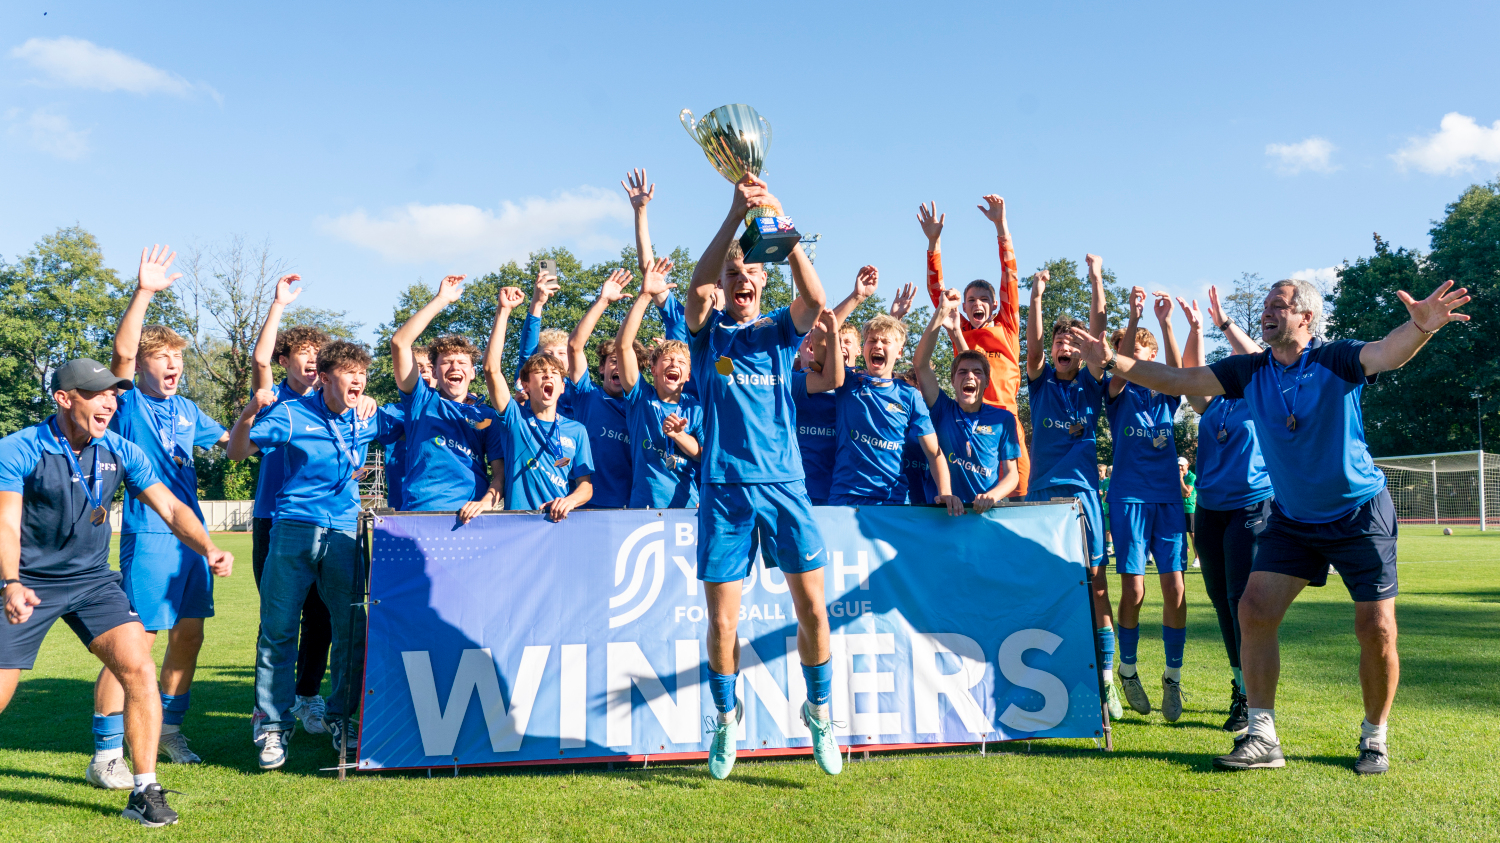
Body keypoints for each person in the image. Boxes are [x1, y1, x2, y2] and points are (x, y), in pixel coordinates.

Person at [1066, 277, 1470, 775]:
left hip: (1359, 513)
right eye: (1266, 306)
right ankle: (1262, 736)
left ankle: (1375, 737)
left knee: (1377, 627)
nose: (1267, 313)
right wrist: (1110, 361)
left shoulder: (1334, 358)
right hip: (1294, 518)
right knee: (1253, 609)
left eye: (1279, 306)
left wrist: (1420, 327)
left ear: (1306, 317)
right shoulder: (1250, 370)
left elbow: (1387, 352)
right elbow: (1179, 381)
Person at [1, 358, 233, 826]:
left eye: (112, 393)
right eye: (96, 393)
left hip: (92, 581)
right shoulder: (20, 448)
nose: (108, 401)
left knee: (139, 668)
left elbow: (170, 505)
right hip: (28, 582)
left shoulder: (121, 450)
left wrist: (207, 546)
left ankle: (145, 791)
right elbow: (5, 521)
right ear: (64, 399)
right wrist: (11, 581)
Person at [683, 173, 843, 780]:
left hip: (784, 486)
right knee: (724, 622)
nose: (741, 280)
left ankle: (820, 715)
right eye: (733, 275)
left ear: (763, 281)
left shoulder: (779, 331)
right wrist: (733, 212)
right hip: (724, 491)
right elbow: (697, 287)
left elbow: (817, 299)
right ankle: (725, 721)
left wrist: (783, 227)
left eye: (751, 273)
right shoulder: (708, 334)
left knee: (814, 612)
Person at [94, 245, 233, 773]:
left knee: (190, 635)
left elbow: (238, 445)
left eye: (178, 358)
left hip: (192, 537)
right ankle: (108, 749)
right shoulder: (125, 402)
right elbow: (123, 353)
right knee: (134, 645)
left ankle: (170, 728)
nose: (173, 365)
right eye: (162, 358)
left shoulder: (188, 409)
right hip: (149, 534)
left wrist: (255, 408)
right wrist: (145, 292)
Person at [228, 340, 381, 770]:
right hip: (293, 530)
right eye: (350, 374)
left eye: (363, 374)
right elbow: (237, 452)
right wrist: (247, 413)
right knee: (278, 631)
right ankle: (272, 726)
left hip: (345, 534)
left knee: (353, 630)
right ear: (327, 378)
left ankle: (340, 717)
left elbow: (421, 420)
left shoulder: (368, 416)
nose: (358, 381)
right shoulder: (291, 413)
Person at [1023, 258, 1121, 719]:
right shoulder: (1040, 383)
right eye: (1060, 340)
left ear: (1081, 353)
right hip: (1041, 499)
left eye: (1071, 341)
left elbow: (1100, 334)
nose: (1064, 345)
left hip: (1082, 499)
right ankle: (1046, 674)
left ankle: (1105, 682)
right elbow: (1034, 345)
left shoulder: (1090, 383)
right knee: (1045, 588)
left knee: (1095, 588)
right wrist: (1037, 299)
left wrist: (1097, 279)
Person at [1182, 288, 1273, 735]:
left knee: (1241, 601)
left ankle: (1254, 700)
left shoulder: (1262, 396)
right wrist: (1195, 329)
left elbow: (1261, 358)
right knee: (1220, 601)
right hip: (1210, 508)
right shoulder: (1213, 405)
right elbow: (1189, 374)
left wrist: (1224, 325)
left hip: (1251, 506)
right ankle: (1240, 687)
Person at [1104, 286, 1190, 722]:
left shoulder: (1165, 396)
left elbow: (1179, 372)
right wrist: (1135, 319)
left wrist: (1167, 322)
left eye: (1146, 355)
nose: (1141, 361)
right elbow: (1120, 368)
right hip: (1130, 498)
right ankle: (1129, 670)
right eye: (1133, 353)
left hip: (1168, 500)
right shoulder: (1117, 391)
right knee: (1134, 589)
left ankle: (1172, 679)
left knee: (1175, 587)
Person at [920, 197, 1030, 497]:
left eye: (984, 299)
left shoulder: (1006, 328)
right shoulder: (960, 329)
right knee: (971, 499)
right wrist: (934, 243)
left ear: (994, 305)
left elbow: (1009, 276)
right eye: (971, 300)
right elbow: (937, 294)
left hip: (1005, 424)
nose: (977, 304)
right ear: (965, 307)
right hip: (968, 424)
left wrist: (1001, 226)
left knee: (1017, 495)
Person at [388, 276, 506, 520]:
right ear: (433, 371)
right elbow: (400, 343)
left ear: (473, 373)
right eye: (447, 362)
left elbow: (500, 474)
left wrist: (485, 503)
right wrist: (441, 299)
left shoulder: (487, 416)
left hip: (471, 517)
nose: (455, 366)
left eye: (462, 362)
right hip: (421, 513)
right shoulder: (420, 401)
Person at [828, 311, 964, 514]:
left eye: (885, 341)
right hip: (846, 498)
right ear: (863, 349)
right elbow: (822, 342)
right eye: (872, 340)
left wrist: (945, 492)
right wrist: (856, 298)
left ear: (899, 352)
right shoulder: (846, 382)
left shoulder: (909, 395)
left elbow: (934, 453)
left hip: (891, 502)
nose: (877, 345)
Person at [483, 287, 595, 518]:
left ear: (563, 386)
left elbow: (586, 486)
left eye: (555, 373)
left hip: (559, 525)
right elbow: (491, 369)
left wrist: (570, 500)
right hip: (518, 525)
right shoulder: (514, 418)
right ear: (525, 385)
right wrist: (503, 311)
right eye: (540, 372)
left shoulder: (577, 430)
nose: (548, 376)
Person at [914, 290, 1021, 506]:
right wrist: (940, 312)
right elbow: (920, 364)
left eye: (977, 372)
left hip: (982, 515)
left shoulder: (1003, 419)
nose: (970, 376)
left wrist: (993, 496)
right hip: (943, 514)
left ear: (987, 382)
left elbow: (1012, 475)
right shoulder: (942, 409)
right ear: (953, 380)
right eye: (962, 372)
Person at [615, 257, 704, 508]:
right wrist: (645, 295)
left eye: (681, 362)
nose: (674, 363)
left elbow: (703, 455)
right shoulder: (640, 397)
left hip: (689, 511)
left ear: (688, 375)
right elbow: (623, 346)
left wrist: (679, 435)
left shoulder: (695, 408)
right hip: (644, 510)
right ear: (653, 369)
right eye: (667, 359)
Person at [568, 269, 640, 509]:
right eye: (612, 360)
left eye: (625, 362)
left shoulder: (642, 404)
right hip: (583, 506)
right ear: (601, 368)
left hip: (628, 509)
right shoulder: (587, 395)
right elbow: (575, 347)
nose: (618, 365)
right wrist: (603, 301)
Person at [791, 331, 837, 506]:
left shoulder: (846, 389)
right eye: (807, 333)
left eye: (818, 334)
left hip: (833, 494)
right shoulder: (784, 381)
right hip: (791, 490)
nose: (812, 337)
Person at [1179, 457, 1198, 567]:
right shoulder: (1174, 476)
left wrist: (1181, 480)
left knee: (1192, 534)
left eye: (1182, 465)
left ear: (1187, 466)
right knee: (1178, 534)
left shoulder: (1192, 477)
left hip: (1189, 509)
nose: (1180, 468)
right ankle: (1182, 557)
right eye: (1178, 465)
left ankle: (1197, 558)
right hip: (1178, 509)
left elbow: (1186, 493)